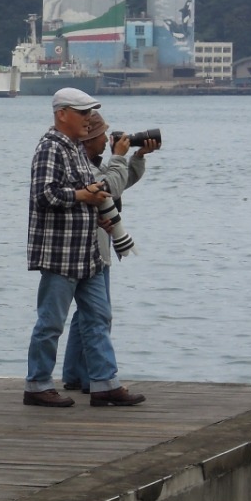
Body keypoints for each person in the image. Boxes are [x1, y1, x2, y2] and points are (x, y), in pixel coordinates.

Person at [24, 88, 144, 408]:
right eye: (83, 112)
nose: (89, 119)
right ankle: (37, 385)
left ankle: (105, 383)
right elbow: (44, 194)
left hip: (88, 251)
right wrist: (82, 196)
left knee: (98, 317)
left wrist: (95, 200)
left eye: (90, 112)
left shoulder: (76, 148)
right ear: (62, 114)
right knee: (51, 321)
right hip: (61, 253)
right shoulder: (50, 147)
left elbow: (89, 189)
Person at [61, 112, 159, 393]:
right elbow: (112, 186)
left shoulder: (93, 164)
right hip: (88, 250)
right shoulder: (83, 168)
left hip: (95, 247)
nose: (107, 140)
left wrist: (137, 157)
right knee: (97, 314)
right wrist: (119, 156)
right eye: (102, 135)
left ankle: (76, 374)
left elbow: (120, 181)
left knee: (86, 314)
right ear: (89, 139)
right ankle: (95, 378)